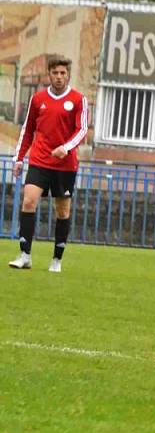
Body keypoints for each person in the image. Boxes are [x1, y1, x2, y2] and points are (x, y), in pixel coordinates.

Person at [9, 56, 89, 273]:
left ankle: (57, 259)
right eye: (55, 73)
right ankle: (25, 255)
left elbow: (82, 129)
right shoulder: (38, 99)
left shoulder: (78, 99)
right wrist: (19, 158)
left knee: (62, 211)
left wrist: (67, 147)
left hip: (65, 164)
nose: (59, 77)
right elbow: (27, 130)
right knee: (28, 201)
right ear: (49, 75)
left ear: (68, 75)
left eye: (63, 73)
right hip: (39, 160)